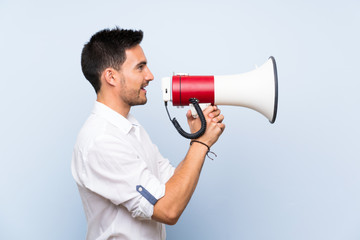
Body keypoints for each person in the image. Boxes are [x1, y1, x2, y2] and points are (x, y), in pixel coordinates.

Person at [71, 27, 225, 240]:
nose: (150, 76)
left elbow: (171, 184)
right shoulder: (101, 140)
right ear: (111, 77)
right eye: (140, 67)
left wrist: (196, 140)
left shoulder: (130, 127)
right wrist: (202, 144)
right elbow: (168, 209)